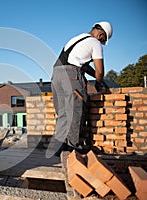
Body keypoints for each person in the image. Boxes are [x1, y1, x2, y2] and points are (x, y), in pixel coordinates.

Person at [47, 22, 113, 157]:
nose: (101, 41)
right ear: (101, 34)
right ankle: (73, 148)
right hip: (70, 76)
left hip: (56, 75)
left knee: (63, 113)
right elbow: (100, 72)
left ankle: (59, 147)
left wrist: (93, 74)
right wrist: (98, 83)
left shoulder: (77, 39)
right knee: (75, 110)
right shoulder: (95, 43)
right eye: (102, 39)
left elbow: (83, 65)